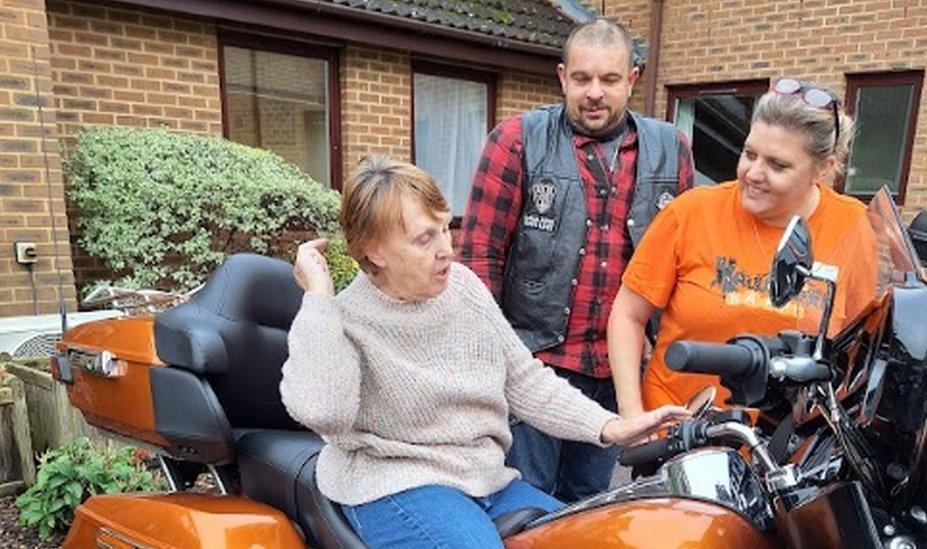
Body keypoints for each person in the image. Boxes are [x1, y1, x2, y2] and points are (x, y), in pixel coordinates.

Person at [280, 156, 691, 548]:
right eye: (425, 238)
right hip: (395, 482)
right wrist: (319, 298)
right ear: (374, 251)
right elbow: (323, 412)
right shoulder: (344, 319)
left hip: (486, 478)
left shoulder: (462, 286)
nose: (446, 248)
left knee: (595, 537)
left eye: (444, 228)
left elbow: (522, 378)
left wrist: (609, 426)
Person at [458, 18, 694, 502]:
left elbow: (681, 264)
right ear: (562, 76)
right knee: (525, 503)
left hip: (615, 373)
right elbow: (479, 259)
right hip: (533, 367)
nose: (594, 93)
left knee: (591, 504)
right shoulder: (517, 141)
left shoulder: (671, 150)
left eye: (609, 79)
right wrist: (491, 363)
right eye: (582, 78)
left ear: (632, 79)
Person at [608, 78, 873, 415]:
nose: (753, 173)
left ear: (823, 169)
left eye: (778, 165)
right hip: (681, 436)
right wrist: (633, 417)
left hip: (790, 451)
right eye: (750, 154)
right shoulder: (691, 212)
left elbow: (864, 347)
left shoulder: (854, 226)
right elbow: (628, 316)